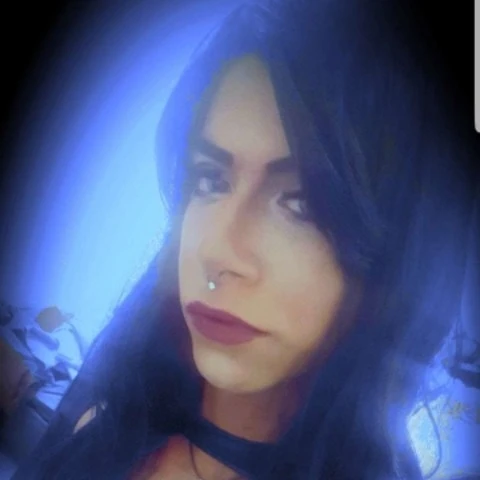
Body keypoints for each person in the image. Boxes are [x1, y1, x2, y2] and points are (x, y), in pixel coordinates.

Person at [12, 0, 476, 478]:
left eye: (302, 204)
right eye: (210, 180)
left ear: (396, 267)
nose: (215, 252)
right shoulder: (108, 419)